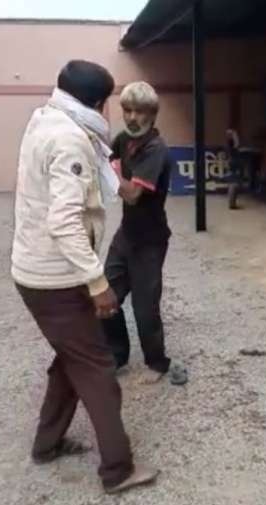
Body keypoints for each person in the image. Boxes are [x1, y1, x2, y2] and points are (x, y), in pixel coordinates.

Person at [11, 60, 158, 493]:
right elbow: (64, 222)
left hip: (38, 272)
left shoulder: (45, 119)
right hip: (55, 278)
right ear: (96, 102)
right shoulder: (72, 139)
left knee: (70, 360)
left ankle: (47, 444)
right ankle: (118, 470)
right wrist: (97, 282)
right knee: (97, 369)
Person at [102, 81, 177, 385]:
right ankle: (116, 354)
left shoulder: (156, 149)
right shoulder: (123, 140)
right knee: (106, 296)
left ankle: (157, 363)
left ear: (153, 114)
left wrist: (109, 172)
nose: (132, 117)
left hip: (150, 240)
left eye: (140, 111)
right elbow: (106, 159)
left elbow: (132, 194)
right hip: (127, 234)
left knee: (145, 307)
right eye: (127, 110)